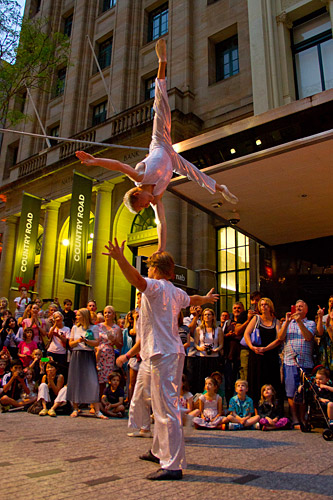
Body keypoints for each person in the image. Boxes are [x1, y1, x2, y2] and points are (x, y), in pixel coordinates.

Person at [76, 39, 238, 255]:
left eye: (142, 205)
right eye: (145, 208)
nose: (147, 206)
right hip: (171, 159)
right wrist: (160, 249)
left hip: (160, 142)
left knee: (161, 104)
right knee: (194, 173)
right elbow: (161, 223)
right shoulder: (158, 197)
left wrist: (94, 160)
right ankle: (219, 187)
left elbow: (117, 165)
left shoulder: (139, 176)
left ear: (136, 194)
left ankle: (162, 62)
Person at [104, 238, 219, 480]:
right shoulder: (176, 291)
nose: (147, 270)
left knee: (166, 408)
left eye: (149, 266)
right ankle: (159, 451)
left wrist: (120, 258)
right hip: (165, 352)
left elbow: (136, 279)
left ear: (157, 269)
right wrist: (206, 300)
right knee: (155, 401)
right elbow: (194, 300)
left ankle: (173, 465)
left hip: (162, 353)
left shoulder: (156, 286)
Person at [278, 300, 316, 429]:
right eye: (297, 306)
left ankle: (303, 417)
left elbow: (308, 337)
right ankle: (294, 418)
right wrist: (287, 321)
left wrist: (299, 321)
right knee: (291, 391)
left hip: (305, 362)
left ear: (306, 310)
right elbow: (280, 337)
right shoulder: (287, 323)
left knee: (304, 392)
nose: (299, 308)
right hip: (290, 361)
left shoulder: (310, 323)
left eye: (301, 306)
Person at [67, 308, 107, 419]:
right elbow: (70, 344)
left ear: (84, 316)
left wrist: (86, 341)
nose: (76, 317)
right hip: (77, 355)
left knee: (93, 381)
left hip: (88, 355)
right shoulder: (75, 328)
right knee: (76, 381)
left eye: (79, 315)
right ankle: (75, 408)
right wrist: (78, 341)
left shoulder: (94, 327)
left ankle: (97, 410)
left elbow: (96, 342)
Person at [244, 297, 282, 407]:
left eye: (266, 304)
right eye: (261, 305)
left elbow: (279, 339)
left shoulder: (276, 322)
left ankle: (272, 408)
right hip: (256, 355)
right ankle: (255, 408)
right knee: (256, 382)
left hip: (270, 355)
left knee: (271, 381)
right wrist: (252, 347)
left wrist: (266, 348)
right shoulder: (256, 319)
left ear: (270, 307)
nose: (263, 306)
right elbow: (246, 334)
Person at [96, 305, 123, 397]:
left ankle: (105, 400)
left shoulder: (117, 328)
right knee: (97, 378)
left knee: (107, 378)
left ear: (113, 314)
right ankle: (96, 401)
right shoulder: (98, 326)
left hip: (109, 355)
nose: (107, 314)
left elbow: (119, 345)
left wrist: (114, 340)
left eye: (109, 312)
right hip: (98, 354)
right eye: (105, 312)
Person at [194, 308, 224, 390]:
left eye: (209, 314)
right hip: (201, 357)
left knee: (213, 379)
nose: (207, 316)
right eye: (205, 315)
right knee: (201, 379)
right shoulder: (199, 329)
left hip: (214, 357)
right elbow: (196, 344)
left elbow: (221, 344)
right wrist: (200, 348)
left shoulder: (218, 330)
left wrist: (216, 349)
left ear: (213, 316)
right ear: (202, 317)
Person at [235, 291, 262, 381]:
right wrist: (248, 320)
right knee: (245, 375)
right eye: (252, 300)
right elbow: (237, 331)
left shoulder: (265, 315)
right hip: (246, 349)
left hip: (261, 349)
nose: (255, 302)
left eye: (257, 300)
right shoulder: (244, 314)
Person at [46, 311, 71, 378]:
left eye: (58, 317)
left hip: (61, 353)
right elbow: (49, 336)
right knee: (45, 362)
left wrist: (59, 336)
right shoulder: (52, 328)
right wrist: (54, 325)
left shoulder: (67, 329)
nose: (57, 319)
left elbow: (67, 341)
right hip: (51, 351)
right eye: (55, 317)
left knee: (60, 370)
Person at [316, 305, 333, 376]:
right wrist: (320, 317)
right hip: (324, 357)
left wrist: (328, 328)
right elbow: (319, 333)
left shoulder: (327, 325)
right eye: (332, 311)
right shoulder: (324, 323)